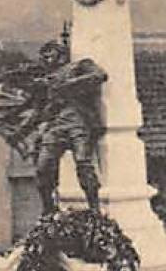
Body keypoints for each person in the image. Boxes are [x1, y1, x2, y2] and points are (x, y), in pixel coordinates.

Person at [20, 39, 107, 214]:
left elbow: (99, 75)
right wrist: (23, 130)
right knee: (43, 167)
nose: (46, 60)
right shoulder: (47, 80)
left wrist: (68, 84)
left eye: (50, 55)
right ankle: (49, 208)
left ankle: (94, 207)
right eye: (44, 57)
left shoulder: (79, 66)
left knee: (83, 164)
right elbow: (40, 110)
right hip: (56, 125)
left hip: (78, 122)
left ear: (61, 55)